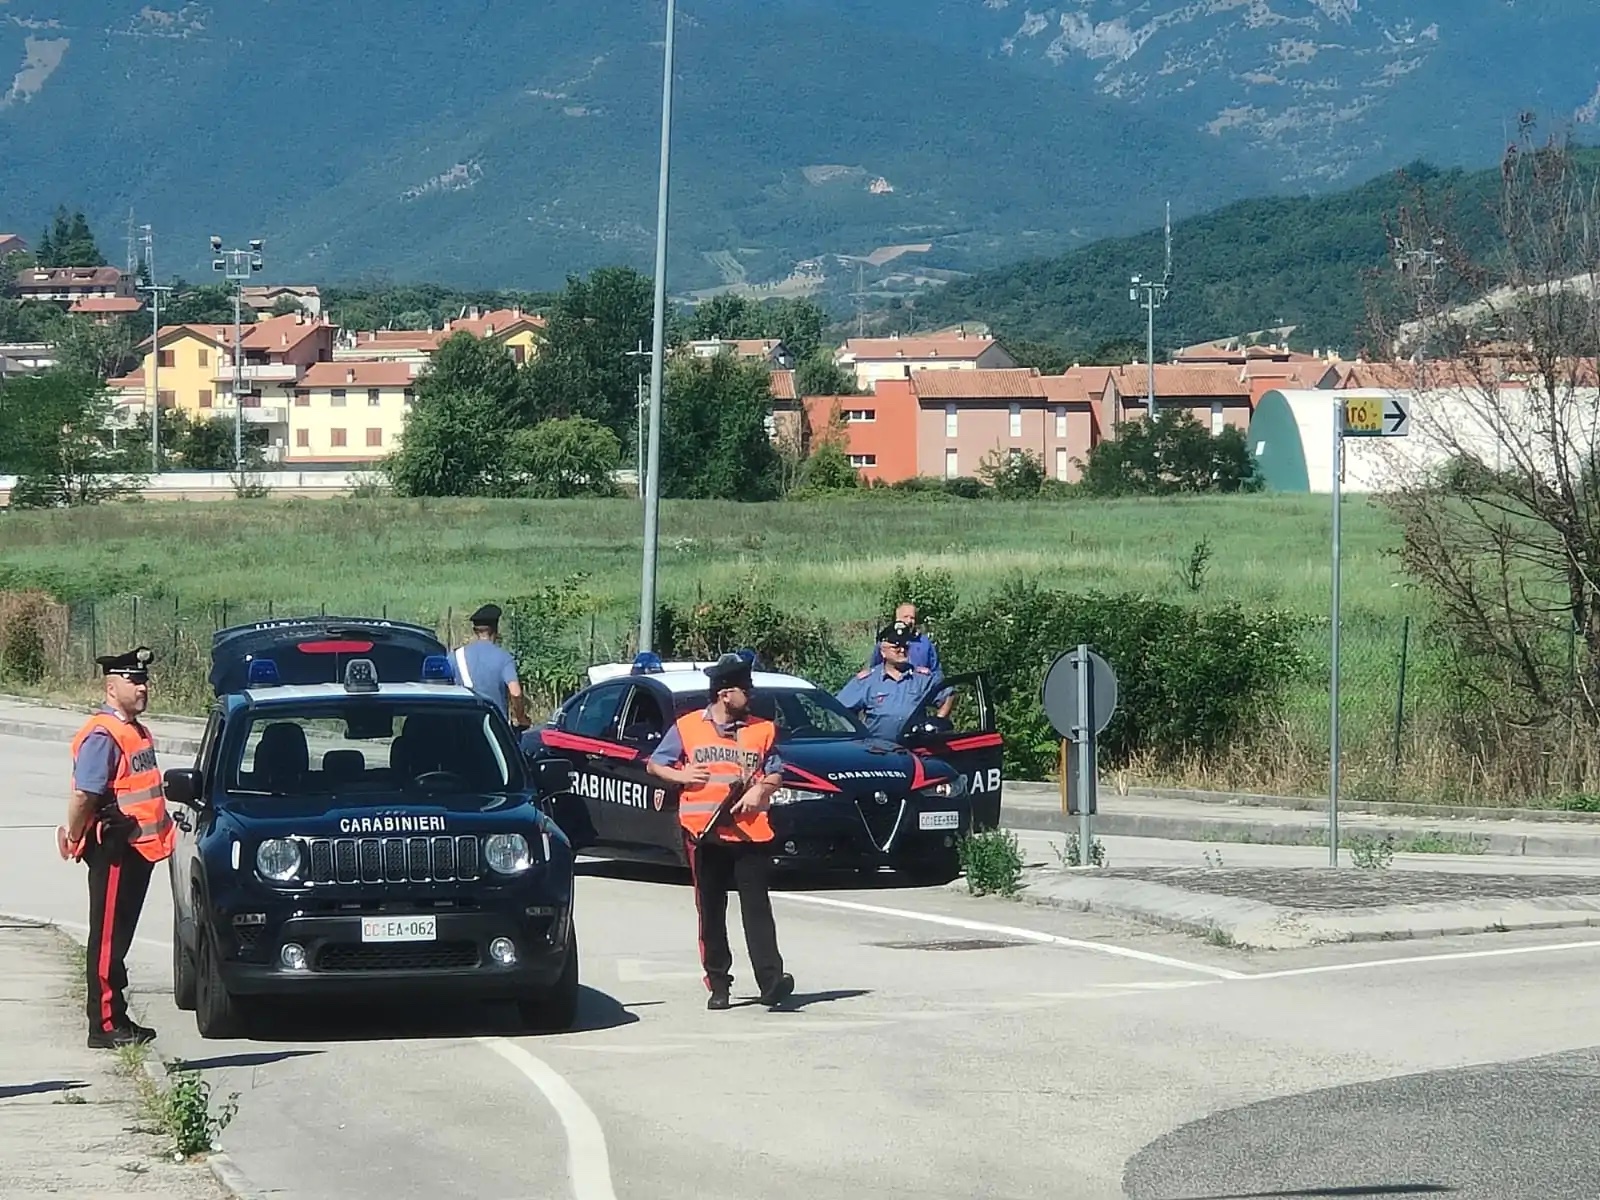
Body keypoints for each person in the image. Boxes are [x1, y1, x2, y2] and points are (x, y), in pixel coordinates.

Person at [646, 653, 795, 1011]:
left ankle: (771, 982)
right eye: (747, 689)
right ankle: (718, 983)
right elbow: (655, 763)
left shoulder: (762, 729)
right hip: (704, 833)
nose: (752, 694)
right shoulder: (687, 727)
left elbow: (776, 771)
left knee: (757, 909)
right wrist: (682, 777)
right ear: (726, 694)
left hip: (750, 832)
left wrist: (762, 790)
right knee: (711, 910)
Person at [62, 646, 177, 1049]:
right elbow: (84, 795)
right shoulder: (102, 734)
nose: (143, 687)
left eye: (144, 680)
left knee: (120, 937)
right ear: (112, 687)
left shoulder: (135, 730)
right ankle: (105, 1024)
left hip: (138, 848)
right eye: (134, 680)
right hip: (114, 848)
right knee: (108, 937)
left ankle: (118, 1015)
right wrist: (74, 835)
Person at [836, 622, 949, 740]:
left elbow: (948, 696)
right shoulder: (868, 680)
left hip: (915, 749)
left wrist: (935, 725)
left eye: (905, 646)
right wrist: (856, 733)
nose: (902, 650)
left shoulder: (922, 678)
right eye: (896, 647)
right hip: (878, 750)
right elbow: (840, 708)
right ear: (883, 652)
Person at [451, 604, 527, 729]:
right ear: (495, 629)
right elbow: (516, 693)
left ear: (475, 631)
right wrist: (520, 717)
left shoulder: (455, 656)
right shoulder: (504, 658)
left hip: (462, 725)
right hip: (494, 728)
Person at [867, 602, 941, 673]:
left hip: (920, 684)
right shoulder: (886, 642)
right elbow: (874, 669)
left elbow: (937, 671)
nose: (909, 621)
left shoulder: (925, 643)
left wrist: (929, 674)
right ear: (896, 619)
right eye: (905, 617)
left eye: (912, 618)